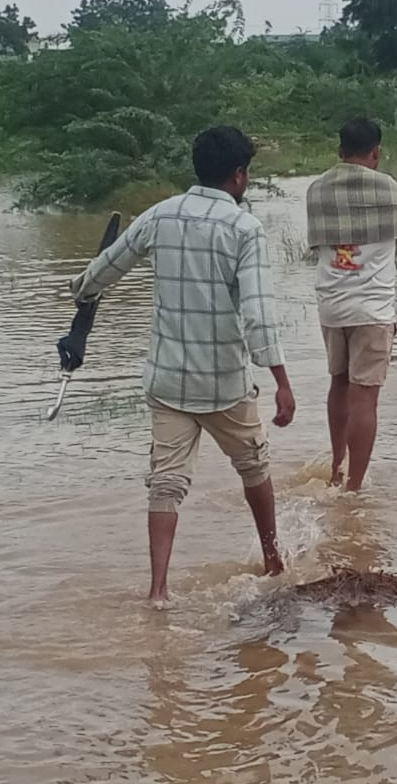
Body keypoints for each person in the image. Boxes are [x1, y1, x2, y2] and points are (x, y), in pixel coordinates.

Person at [70, 126, 296, 606]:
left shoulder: (161, 214)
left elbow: (109, 265)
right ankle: (274, 561)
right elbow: (258, 313)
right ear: (238, 175)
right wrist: (280, 379)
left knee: (166, 484)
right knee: (253, 465)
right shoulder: (244, 228)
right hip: (224, 384)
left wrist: (82, 291)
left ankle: (158, 592)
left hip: (168, 378)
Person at [306, 119, 397, 492]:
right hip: (373, 310)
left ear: (339, 152)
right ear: (376, 153)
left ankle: (336, 467)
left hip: (332, 306)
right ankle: (353, 488)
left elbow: (318, 245)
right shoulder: (392, 189)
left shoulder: (317, 190)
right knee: (365, 395)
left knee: (338, 384)